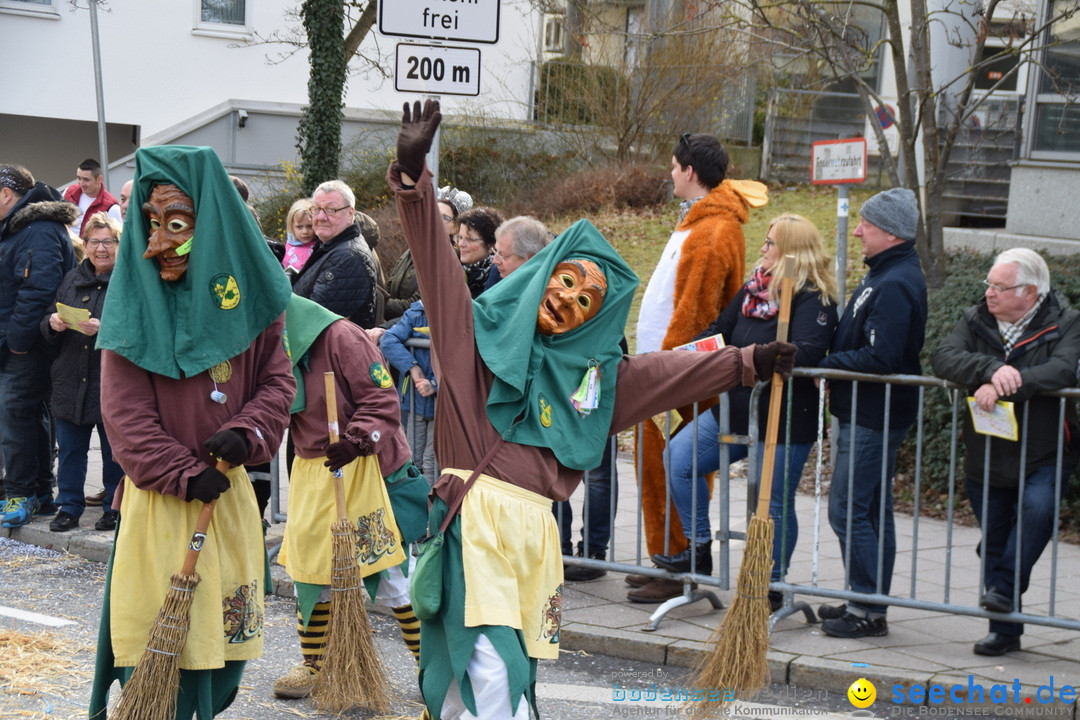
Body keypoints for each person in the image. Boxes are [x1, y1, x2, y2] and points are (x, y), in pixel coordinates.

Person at [388, 100, 794, 720]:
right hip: (472, 525)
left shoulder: (596, 379)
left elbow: (667, 372)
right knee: (490, 668)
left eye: (588, 299)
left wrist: (748, 361)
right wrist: (416, 182)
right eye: (566, 281)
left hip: (533, 535)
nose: (570, 300)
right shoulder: (470, 336)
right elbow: (438, 266)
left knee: (487, 669)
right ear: (543, 277)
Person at [89, 145, 295, 720]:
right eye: (149, 225)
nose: (157, 243)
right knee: (163, 665)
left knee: (223, 661)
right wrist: (182, 473)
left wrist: (247, 431)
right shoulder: (134, 305)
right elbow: (126, 419)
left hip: (226, 504)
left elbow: (278, 384)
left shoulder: (256, 302)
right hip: (160, 508)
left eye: (175, 224)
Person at [651, 214, 838, 608]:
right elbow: (721, 327)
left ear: (791, 250)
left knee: (771, 502)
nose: (764, 249)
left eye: (771, 243)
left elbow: (806, 350)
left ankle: (772, 582)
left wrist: (760, 357)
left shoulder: (813, 298)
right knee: (679, 459)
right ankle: (699, 548)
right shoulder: (754, 289)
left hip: (783, 420)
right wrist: (694, 354)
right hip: (732, 409)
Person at [630, 132, 769, 603]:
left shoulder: (713, 231)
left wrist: (669, 372)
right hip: (664, 372)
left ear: (690, 172)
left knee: (669, 467)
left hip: (674, 377)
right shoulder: (697, 222)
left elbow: (695, 310)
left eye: (673, 166)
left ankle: (678, 561)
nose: (669, 174)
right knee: (654, 466)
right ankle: (666, 556)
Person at [273, 294, 430, 698]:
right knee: (310, 569)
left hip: (366, 465)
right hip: (313, 468)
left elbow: (382, 400)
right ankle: (314, 665)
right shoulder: (270, 341)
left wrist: (356, 440)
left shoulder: (343, 336)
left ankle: (430, 663)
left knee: (391, 569)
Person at [932, 249, 1080, 656]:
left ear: (1030, 292)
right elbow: (944, 357)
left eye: (1000, 287)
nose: (990, 294)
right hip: (987, 450)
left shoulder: (1066, 322)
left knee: (1036, 511)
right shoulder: (975, 318)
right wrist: (989, 369)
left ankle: (1004, 586)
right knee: (995, 536)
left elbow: (1064, 369)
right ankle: (1004, 630)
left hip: (1044, 449)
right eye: (989, 285)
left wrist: (1005, 383)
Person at [816, 187, 927, 639]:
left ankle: (865, 608)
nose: (857, 231)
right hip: (863, 409)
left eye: (866, 225)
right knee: (873, 509)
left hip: (873, 414)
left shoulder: (896, 282)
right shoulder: (884, 274)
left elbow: (882, 358)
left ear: (889, 233)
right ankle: (868, 601)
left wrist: (822, 364)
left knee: (847, 510)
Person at [0, 163, 78, 528]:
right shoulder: (16, 228)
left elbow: (39, 291)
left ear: (5, 194)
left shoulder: (39, 230)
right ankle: (40, 492)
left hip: (25, 344)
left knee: (16, 415)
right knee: (29, 415)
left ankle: (19, 492)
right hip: (16, 340)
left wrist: (16, 341)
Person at [40, 212, 125, 533]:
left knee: (114, 453)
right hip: (70, 378)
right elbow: (49, 315)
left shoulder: (129, 281)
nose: (100, 248)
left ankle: (114, 509)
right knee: (71, 451)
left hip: (111, 380)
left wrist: (104, 330)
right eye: (93, 241)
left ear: (119, 244)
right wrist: (53, 322)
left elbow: (141, 329)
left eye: (108, 241)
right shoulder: (71, 278)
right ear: (85, 244)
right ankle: (69, 506)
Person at [292, 179, 382, 328]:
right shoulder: (329, 246)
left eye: (330, 210)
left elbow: (312, 318)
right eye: (316, 209)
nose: (320, 217)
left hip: (327, 350)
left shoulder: (347, 257)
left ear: (350, 213)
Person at [381, 300, 439, 485]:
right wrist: (412, 367)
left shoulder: (460, 310)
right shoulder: (415, 313)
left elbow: (462, 354)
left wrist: (435, 384)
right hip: (415, 402)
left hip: (443, 404)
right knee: (413, 459)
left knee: (432, 463)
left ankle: (430, 510)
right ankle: (417, 507)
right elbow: (389, 340)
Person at [62, 158, 122, 235]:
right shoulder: (69, 192)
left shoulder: (112, 208)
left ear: (99, 179)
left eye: (86, 180)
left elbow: (118, 238)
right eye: (79, 178)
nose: (81, 183)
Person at [455, 206, 503, 298]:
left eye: (470, 239)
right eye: (460, 237)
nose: (461, 244)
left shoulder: (499, 274)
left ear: (491, 245)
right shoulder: (452, 266)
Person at [282, 198, 316, 278]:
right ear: (291, 226)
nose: (305, 231)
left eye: (309, 226)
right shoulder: (288, 245)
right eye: (299, 227)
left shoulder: (320, 245)